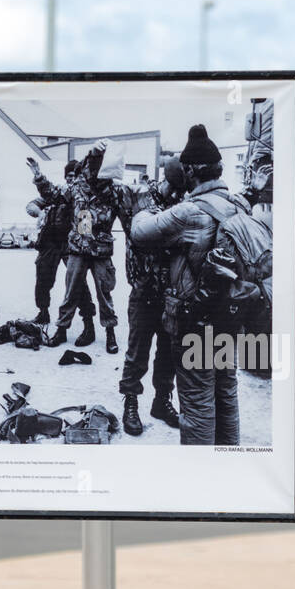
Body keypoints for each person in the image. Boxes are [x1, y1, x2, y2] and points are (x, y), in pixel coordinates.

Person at [129, 124, 245, 446]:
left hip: (195, 324)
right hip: (229, 320)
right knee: (226, 394)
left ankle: (200, 480)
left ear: (190, 171)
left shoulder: (190, 212)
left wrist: (144, 209)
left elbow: (140, 232)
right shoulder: (239, 205)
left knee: (196, 403)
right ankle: (228, 467)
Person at [26, 140, 140, 353]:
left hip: (101, 250)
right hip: (78, 248)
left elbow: (128, 222)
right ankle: (61, 330)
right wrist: (39, 176)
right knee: (70, 292)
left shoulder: (116, 191)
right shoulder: (78, 186)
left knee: (104, 293)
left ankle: (110, 333)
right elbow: (52, 195)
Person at [118, 154, 185, 436]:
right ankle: (130, 403)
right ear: (166, 180)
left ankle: (161, 402)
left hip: (170, 292)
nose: (178, 193)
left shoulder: (182, 203)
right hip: (144, 289)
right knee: (138, 350)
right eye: (175, 188)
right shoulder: (141, 198)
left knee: (168, 352)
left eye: (181, 190)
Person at [27, 159, 95, 330]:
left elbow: (85, 225)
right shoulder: (60, 192)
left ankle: (88, 322)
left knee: (78, 283)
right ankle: (43, 312)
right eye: (69, 176)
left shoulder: (85, 195)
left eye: (75, 176)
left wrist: (84, 246)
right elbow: (33, 203)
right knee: (43, 278)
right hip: (50, 241)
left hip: (71, 243)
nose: (72, 179)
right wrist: (41, 212)